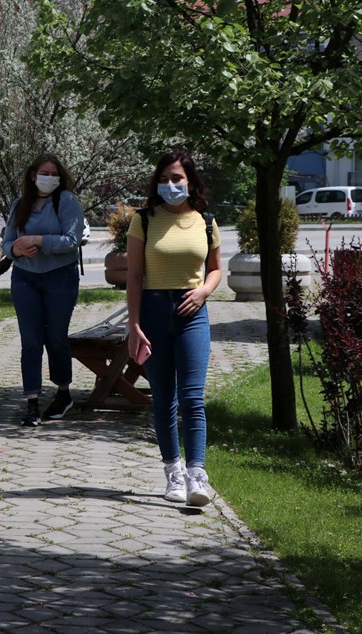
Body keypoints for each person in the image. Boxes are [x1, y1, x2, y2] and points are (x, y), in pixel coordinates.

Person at [125, 151, 222, 507]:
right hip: (152, 311)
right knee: (164, 398)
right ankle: (174, 474)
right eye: (165, 178)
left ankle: (198, 474)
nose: (171, 185)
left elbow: (214, 269)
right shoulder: (144, 220)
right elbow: (134, 276)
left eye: (177, 178)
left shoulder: (206, 221)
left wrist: (204, 291)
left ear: (190, 182)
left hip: (192, 313)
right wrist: (134, 325)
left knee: (193, 397)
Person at [1, 153, 85, 427]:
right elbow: (7, 244)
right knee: (31, 341)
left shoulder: (67, 201)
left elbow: (72, 240)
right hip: (25, 278)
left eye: (53, 173)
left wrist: (39, 240)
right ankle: (32, 404)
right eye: (43, 173)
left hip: (60, 277)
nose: (48, 178)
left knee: (55, 337)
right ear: (32, 175)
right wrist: (16, 249)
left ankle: (63, 393)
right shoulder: (19, 205)